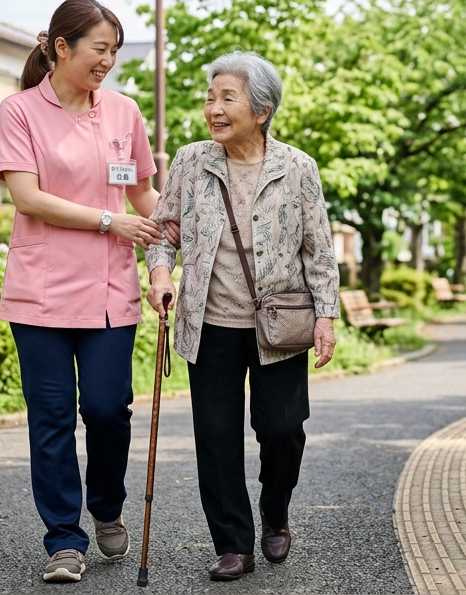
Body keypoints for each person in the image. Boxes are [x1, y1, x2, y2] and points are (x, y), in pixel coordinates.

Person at [145, 51, 340, 582]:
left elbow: (319, 250)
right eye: (210, 98)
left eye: (227, 98)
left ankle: (275, 510)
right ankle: (233, 543)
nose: (214, 108)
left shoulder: (297, 168)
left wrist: (325, 317)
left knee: (283, 430)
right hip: (210, 322)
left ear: (261, 110)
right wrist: (160, 274)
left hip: (279, 323)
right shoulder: (191, 161)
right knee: (216, 437)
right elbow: (164, 230)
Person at [0, 0, 169, 584]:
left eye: (114, 51)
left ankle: (107, 507)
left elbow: (143, 197)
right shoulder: (20, 110)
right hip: (40, 295)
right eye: (100, 48)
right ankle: (64, 540)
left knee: (106, 409)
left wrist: (184, 234)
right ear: (61, 47)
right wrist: (108, 220)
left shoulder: (124, 112)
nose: (108, 61)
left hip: (109, 291)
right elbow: (28, 198)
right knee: (50, 420)